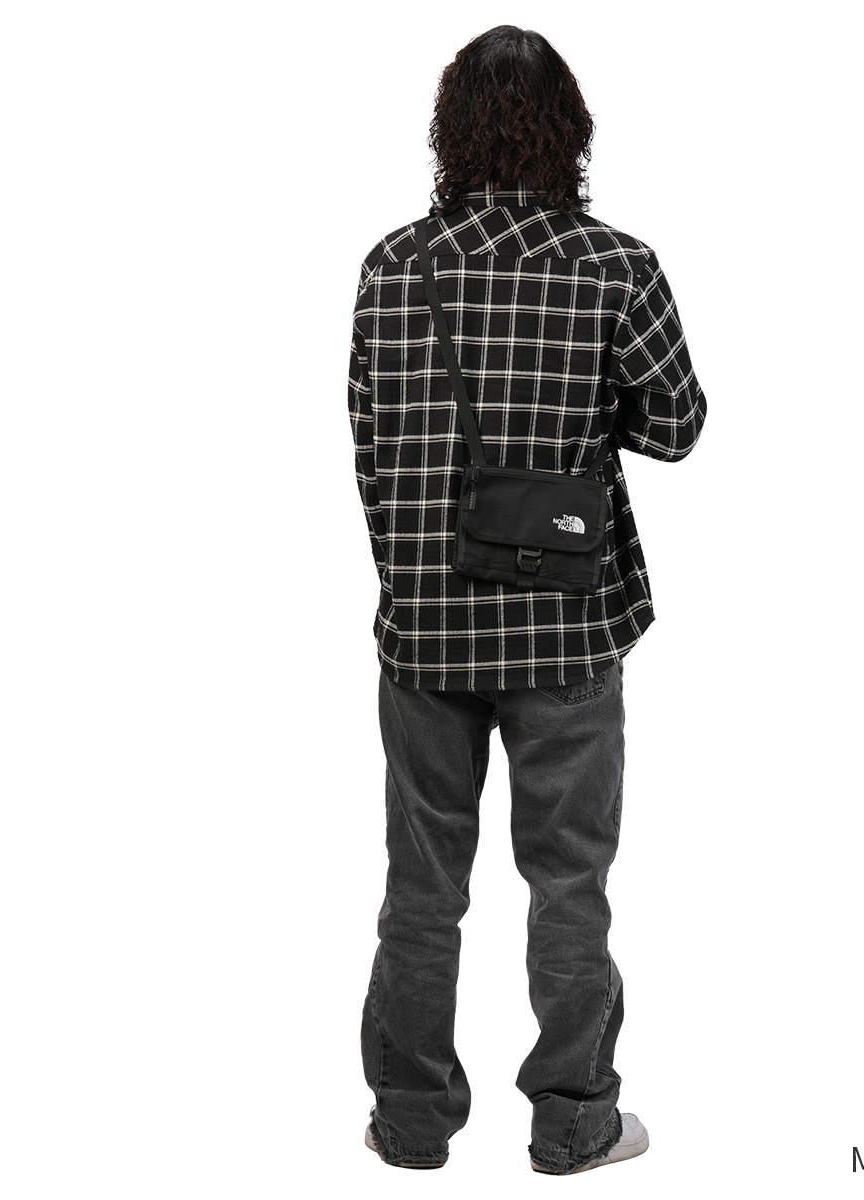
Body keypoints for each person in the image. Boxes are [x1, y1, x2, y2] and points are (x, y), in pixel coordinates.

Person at [348, 25, 706, 1175]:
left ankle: (411, 1127)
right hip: (567, 628)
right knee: (569, 886)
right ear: (569, 133)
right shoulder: (617, 267)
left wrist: (419, 573)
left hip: (425, 633)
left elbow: (372, 446)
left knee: (421, 891)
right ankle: (574, 1122)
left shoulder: (394, 267)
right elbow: (677, 428)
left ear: (451, 131)